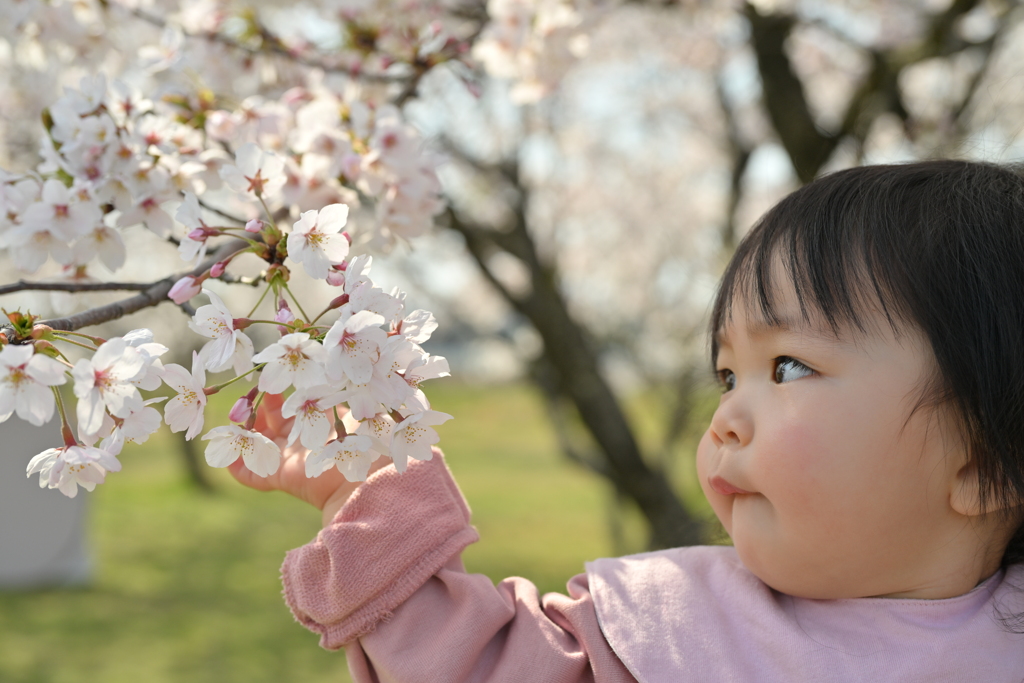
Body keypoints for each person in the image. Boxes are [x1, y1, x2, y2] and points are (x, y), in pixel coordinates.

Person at [229, 160, 1024, 681]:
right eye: (726, 374)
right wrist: (363, 493)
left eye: (789, 366)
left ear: (988, 464)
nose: (727, 419)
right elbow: (478, 663)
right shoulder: (672, 631)